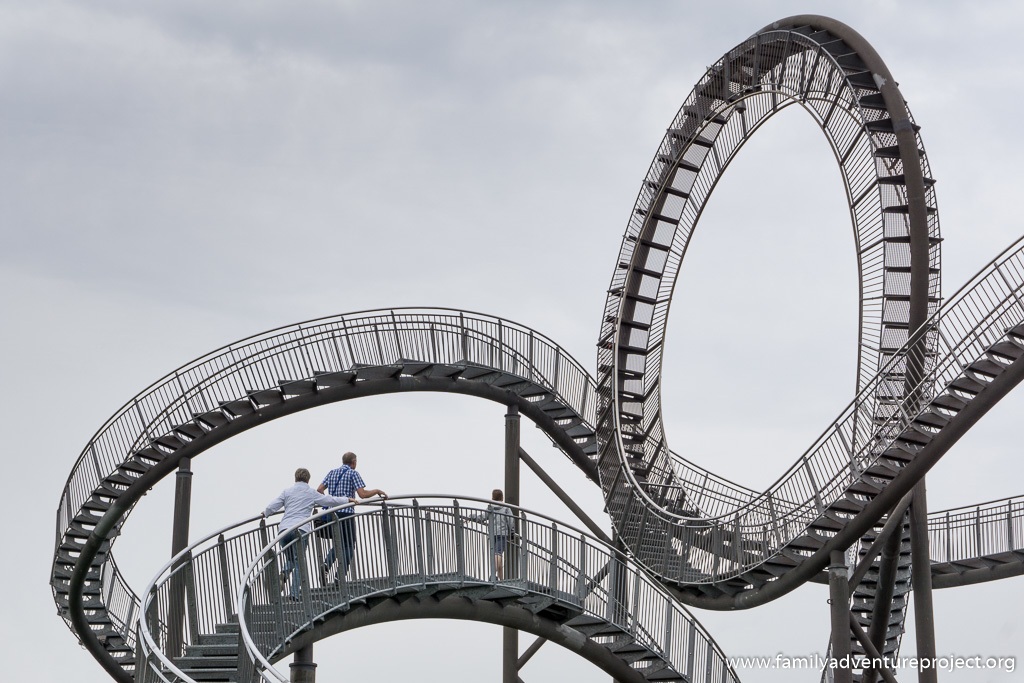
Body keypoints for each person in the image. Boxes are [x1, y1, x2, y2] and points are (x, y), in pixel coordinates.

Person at [264, 468, 351, 600]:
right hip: (300, 530)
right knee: (299, 562)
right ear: (308, 480)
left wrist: (265, 513)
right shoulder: (311, 492)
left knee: (291, 559)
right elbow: (329, 500)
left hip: (284, 531)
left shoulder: (287, 492)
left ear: (295, 478)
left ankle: (284, 573)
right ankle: (294, 595)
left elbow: (273, 505)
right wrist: (347, 500)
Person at [317, 451, 387, 580]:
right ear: (354, 461)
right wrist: (377, 491)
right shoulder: (353, 473)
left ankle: (326, 564)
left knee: (339, 543)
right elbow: (363, 494)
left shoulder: (332, 473)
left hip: (332, 514)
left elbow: (320, 489)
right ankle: (340, 577)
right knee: (349, 545)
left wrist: (329, 500)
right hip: (346, 514)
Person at [469, 489, 515, 580]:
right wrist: (512, 532)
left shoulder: (490, 508)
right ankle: (494, 576)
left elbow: (482, 517)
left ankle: (500, 578)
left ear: (492, 497)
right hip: (502, 534)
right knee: (498, 554)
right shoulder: (506, 508)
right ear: (502, 497)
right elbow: (511, 521)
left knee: (495, 555)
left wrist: (471, 517)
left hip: (492, 534)